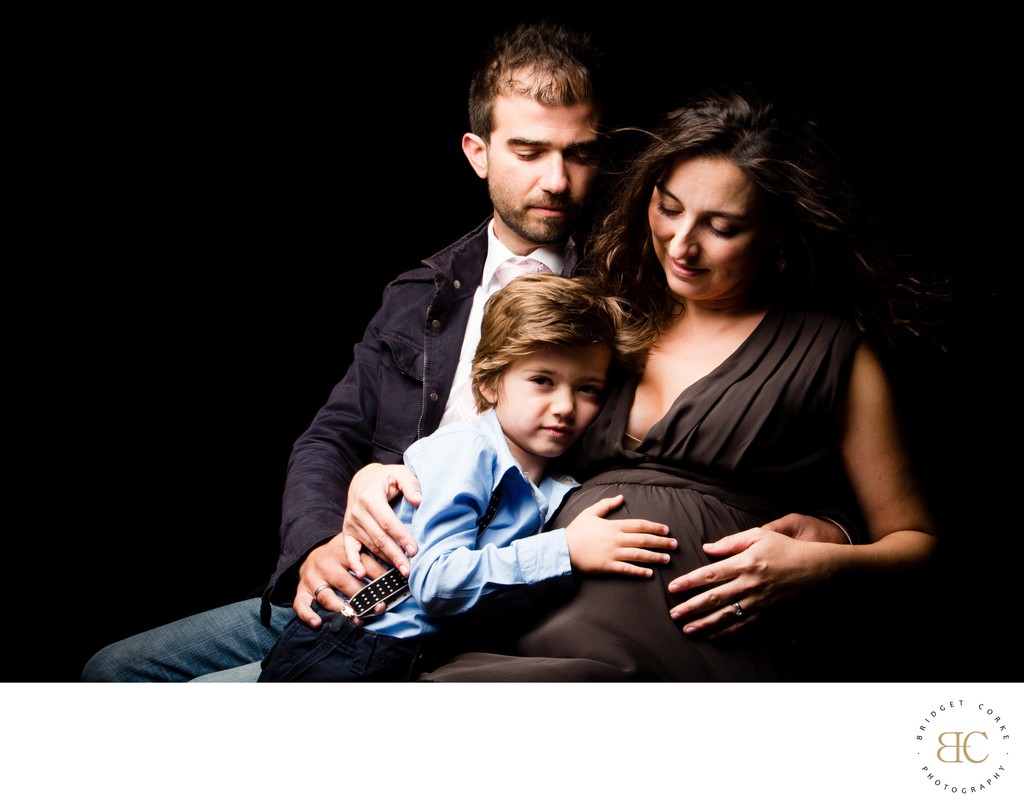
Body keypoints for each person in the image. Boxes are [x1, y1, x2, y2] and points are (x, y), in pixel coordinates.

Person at [81, 22, 847, 683]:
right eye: (528, 150)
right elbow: (331, 434)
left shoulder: (628, 293)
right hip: (361, 573)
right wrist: (319, 541)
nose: (556, 180)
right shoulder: (421, 291)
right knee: (111, 672)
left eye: (578, 154)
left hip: (467, 599)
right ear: (477, 152)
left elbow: (726, 422)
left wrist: (833, 532)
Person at [351, 83, 944, 681]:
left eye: (722, 226)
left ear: (778, 241)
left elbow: (917, 542)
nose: (682, 243)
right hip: (527, 622)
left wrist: (821, 559)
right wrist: (380, 472)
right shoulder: (607, 316)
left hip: (684, 647)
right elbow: (491, 435)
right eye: (669, 208)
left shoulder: (831, 353)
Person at [256, 273, 676, 681]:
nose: (565, 406)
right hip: (351, 647)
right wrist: (565, 549)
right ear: (489, 383)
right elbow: (437, 582)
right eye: (542, 381)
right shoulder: (468, 450)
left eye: (588, 389)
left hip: (423, 660)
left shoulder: (556, 486)